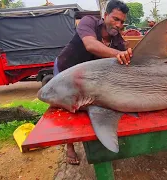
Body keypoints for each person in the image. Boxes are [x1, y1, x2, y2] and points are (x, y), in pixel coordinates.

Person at [53, 0, 131, 165]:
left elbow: (122, 65)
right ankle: (69, 146)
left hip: (90, 80)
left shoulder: (119, 41)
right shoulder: (89, 22)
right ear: (105, 16)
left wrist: (129, 55)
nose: (118, 25)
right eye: (115, 19)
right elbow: (90, 45)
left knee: (87, 106)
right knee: (69, 110)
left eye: (122, 22)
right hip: (66, 70)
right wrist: (118, 53)